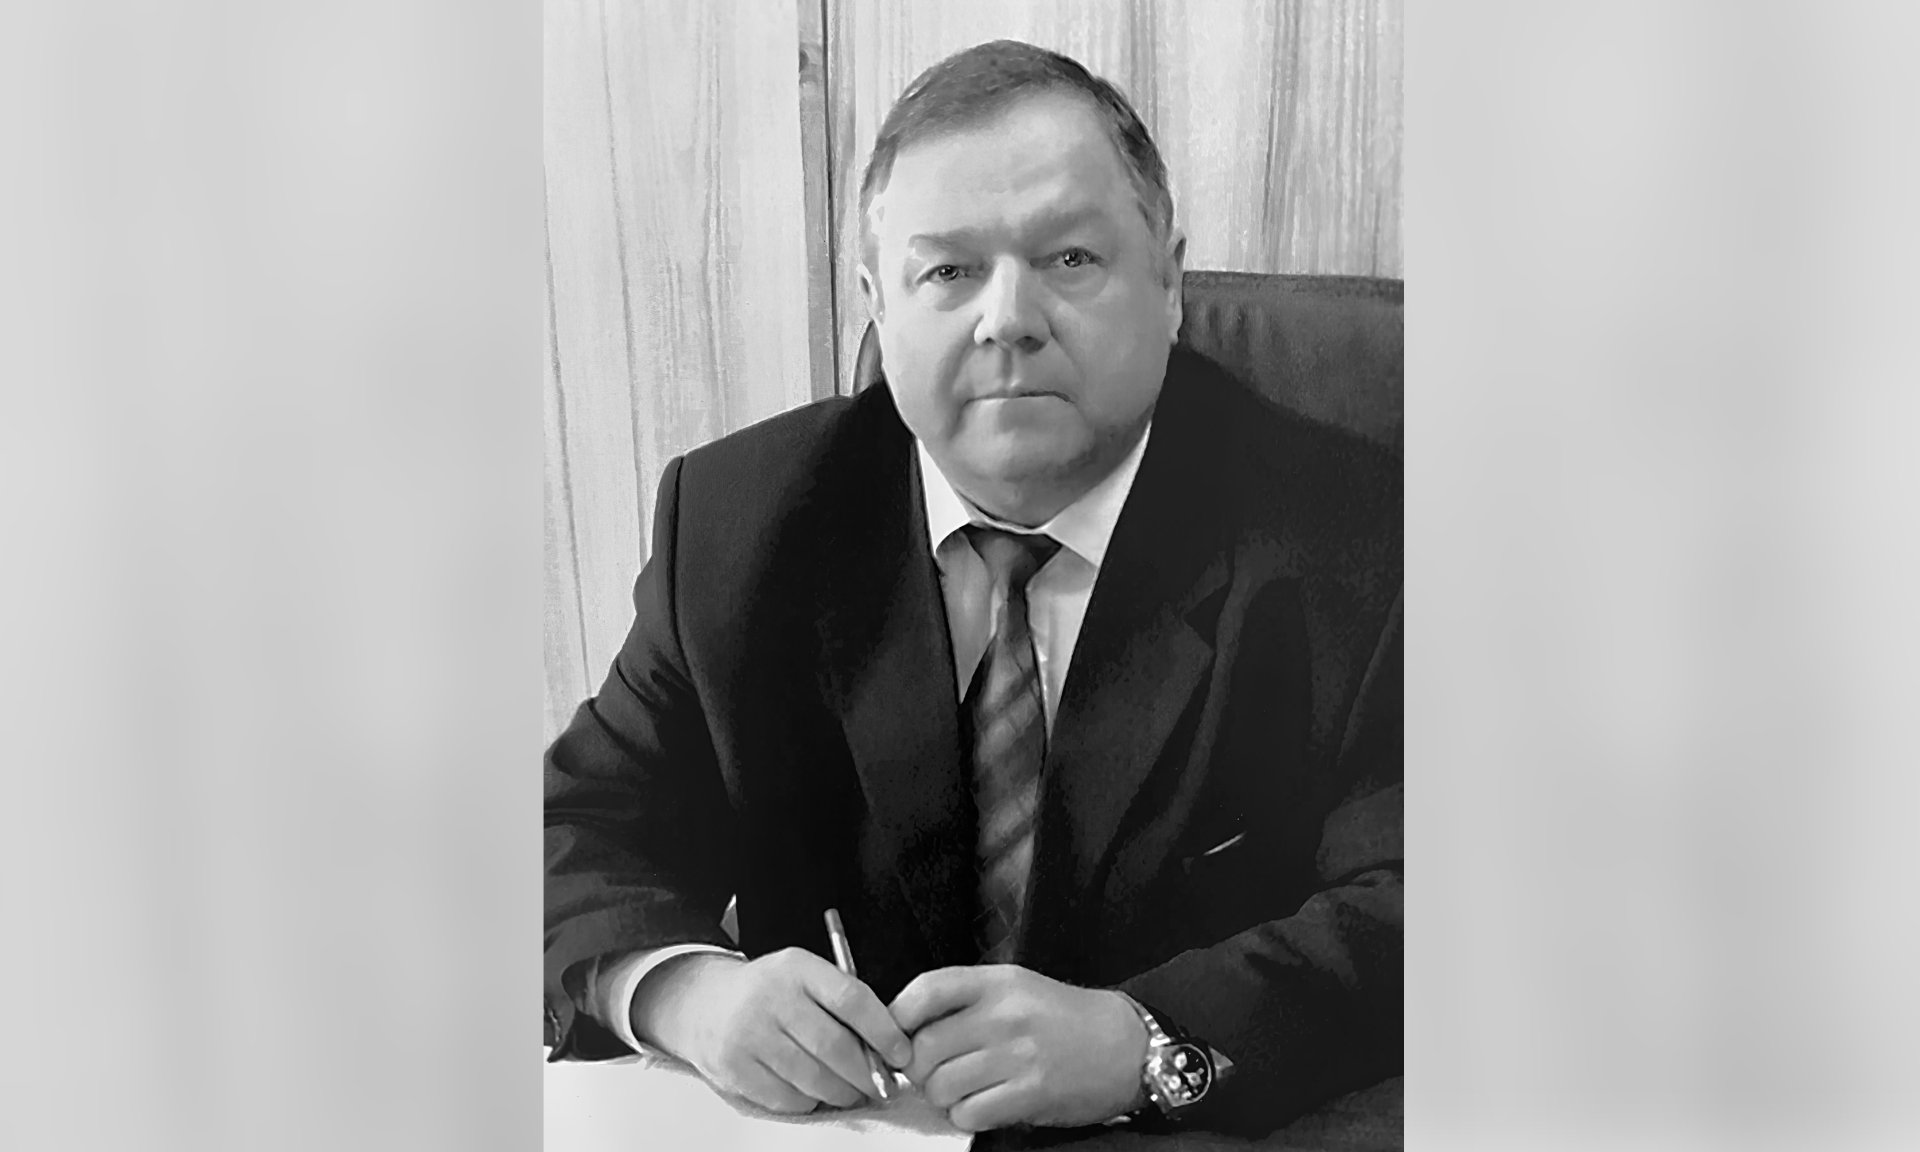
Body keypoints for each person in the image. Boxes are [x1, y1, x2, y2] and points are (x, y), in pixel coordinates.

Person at [544, 39, 1401, 1141]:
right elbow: (571, 830)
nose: (1008, 319)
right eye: (947, 273)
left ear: (1170, 283)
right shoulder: (740, 524)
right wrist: (682, 993)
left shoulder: (1360, 540)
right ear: (877, 304)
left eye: (1071, 258)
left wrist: (1145, 1039)